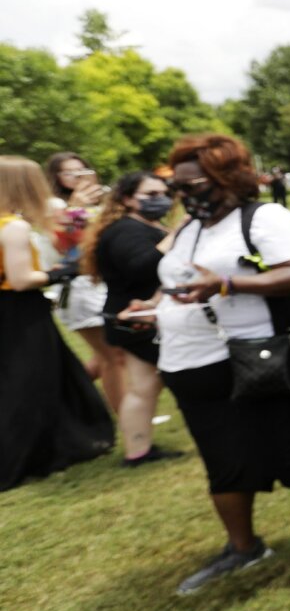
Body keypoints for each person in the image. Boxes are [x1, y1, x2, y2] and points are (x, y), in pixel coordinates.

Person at [119, 134, 290, 594]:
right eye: (178, 187)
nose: (183, 195)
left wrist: (227, 285)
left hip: (246, 358)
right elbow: (174, 278)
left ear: (226, 179)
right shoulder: (189, 228)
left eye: (193, 185)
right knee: (221, 459)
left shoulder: (263, 219)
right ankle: (244, 547)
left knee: (287, 448)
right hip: (185, 363)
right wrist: (150, 306)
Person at [0, 156, 113, 490]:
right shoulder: (14, 226)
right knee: (31, 380)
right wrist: (60, 272)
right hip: (20, 309)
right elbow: (21, 279)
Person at [79, 171, 181, 466]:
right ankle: (138, 449)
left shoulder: (141, 225)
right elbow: (141, 267)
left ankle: (138, 451)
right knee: (172, 379)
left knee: (144, 386)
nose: (159, 199)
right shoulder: (125, 230)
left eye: (163, 192)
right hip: (138, 316)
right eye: (149, 194)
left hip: (139, 315)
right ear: (126, 198)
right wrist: (176, 236)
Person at [45, 151, 127, 413]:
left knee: (109, 354)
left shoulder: (100, 200)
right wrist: (74, 210)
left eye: (80, 170)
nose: (76, 177)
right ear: (56, 178)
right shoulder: (55, 206)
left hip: (103, 280)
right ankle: (128, 418)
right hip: (80, 286)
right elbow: (60, 245)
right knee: (112, 356)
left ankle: (58, 402)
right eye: (68, 172)